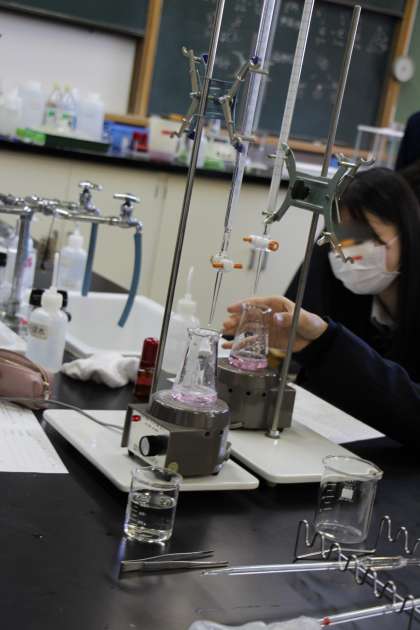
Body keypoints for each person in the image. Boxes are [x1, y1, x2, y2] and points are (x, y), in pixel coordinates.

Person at [223, 167, 420, 445]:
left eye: (365, 237)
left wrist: (326, 343)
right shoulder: (329, 267)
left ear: (408, 234)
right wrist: (307, 345)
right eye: (341, 237)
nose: (349, 252)